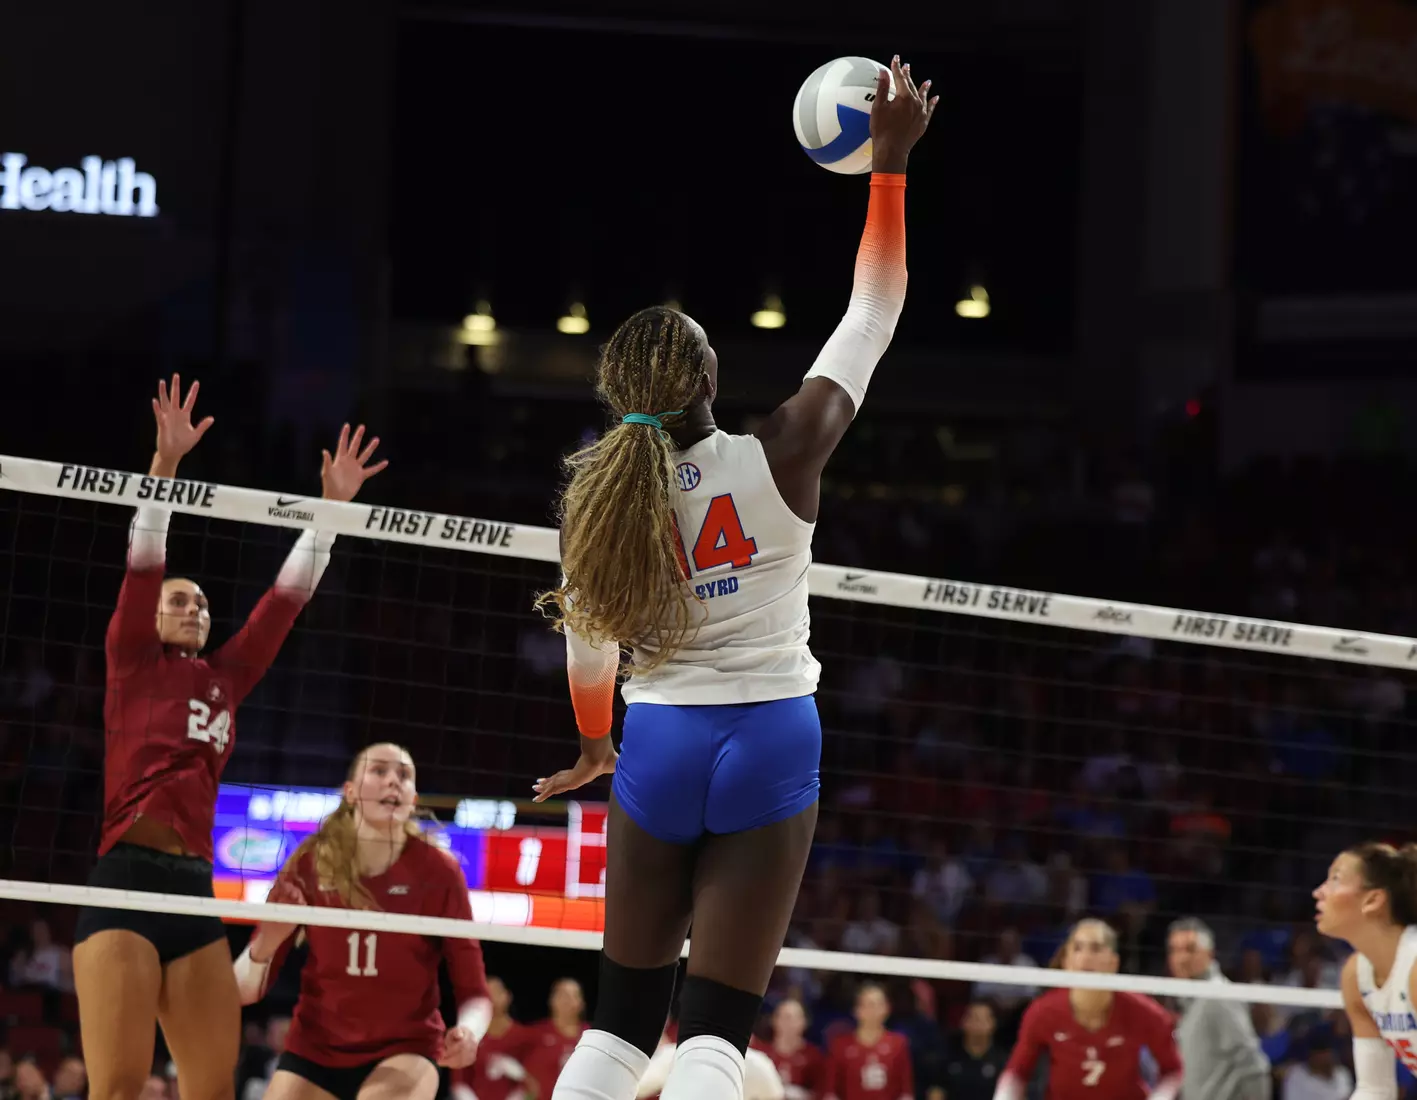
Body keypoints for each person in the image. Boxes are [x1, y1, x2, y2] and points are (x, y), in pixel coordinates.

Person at [529, 56, 936, 1100]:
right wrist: (887, 163)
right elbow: (875, 306)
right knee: (714, 1034)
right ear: (709, 380)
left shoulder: (597, 501)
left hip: (656, 740)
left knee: (617, 1031)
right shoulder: (784, 450)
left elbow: (588, 644)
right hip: (769, 734)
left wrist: (591, 744)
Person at [73, 375, 386, 1100]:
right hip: (125, 883)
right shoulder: (132, 658)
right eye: (179, 600)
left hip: (194, 891)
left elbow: (284, 602)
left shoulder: (226, 677)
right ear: (153, 616)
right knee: (117, 1089)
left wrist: (329, 514)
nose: (193, 607)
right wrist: (166, 466)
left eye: (202, 601)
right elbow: (145, 552)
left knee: (212, 1092)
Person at [232, 743, 491, 1100]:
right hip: (315, 1048)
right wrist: (267, 942)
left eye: (404, 775)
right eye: (379, 771)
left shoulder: (439, 871)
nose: (393, 782)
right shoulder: (309, 862)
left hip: (405, 1050)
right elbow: (243, 992)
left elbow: (476, 992)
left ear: (413, 799)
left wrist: (470, 1032)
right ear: (350, 792)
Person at [993, 918, 1182, 1100]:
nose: (1085, 957)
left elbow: (1173, 1069)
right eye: (1077, 948)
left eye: (1096, 948)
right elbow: (1017, 1072)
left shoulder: (1143, 1011)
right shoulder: (1043, 1011)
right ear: (1067, 962)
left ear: (1113, 962)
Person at [1315, 840, 1417, 1098]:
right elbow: (1375, 1089)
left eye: (1335, 879)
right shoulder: (1355, 975)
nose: (1319, 891)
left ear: (1373, 900)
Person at [1166, 917, 1271, 1100]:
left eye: (1190, 950)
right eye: (1175, 950)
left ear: (1209, 954)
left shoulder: (1218, 997)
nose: (1181, 958)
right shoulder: (1190, 1001)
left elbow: (1254, 1067)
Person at [821, 984, 913, 1100]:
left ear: (887, 1009)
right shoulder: (840, 1045)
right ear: (857, 1010)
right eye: (868, 1004)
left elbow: (905, 1092)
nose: (873, 1010)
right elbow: (830, 1092)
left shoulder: (898, 1043)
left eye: (878, 1005)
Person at [451, 977, 533, 1100]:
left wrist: (520, 1079)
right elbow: (458, 1082)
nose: (491, 997)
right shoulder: (468, 1037)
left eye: (496, 992)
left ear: (507, 996)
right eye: (486, 993)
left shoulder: (524, 1036)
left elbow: (535, 1083)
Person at [523, 979, 590, 1100]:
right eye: (562, 994)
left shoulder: (590, 1037)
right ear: (551, 1000)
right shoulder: (535, 1034)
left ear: (581, 1003)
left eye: (573, 996)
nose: (567, 1000)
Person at [753, 997, 824, 1100]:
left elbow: (821, 1092)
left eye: (791, 1018)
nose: (786, 1022)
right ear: (774, 1020)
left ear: (803, 1022)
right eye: (781, 1016)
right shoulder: (761, 1053)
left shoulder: (813, 1056)